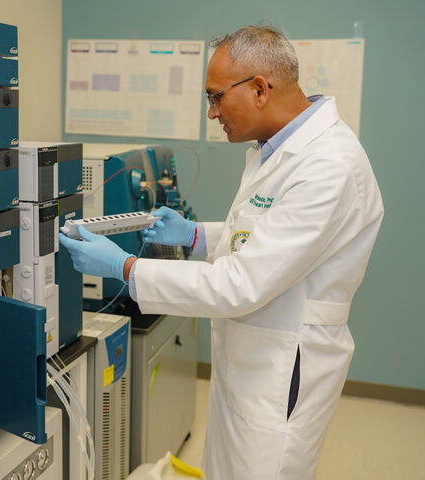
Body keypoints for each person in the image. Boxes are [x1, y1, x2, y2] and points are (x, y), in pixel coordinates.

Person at [59, 25, 383, 479]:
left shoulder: (328, 167)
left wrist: (126, 267)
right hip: (250, 360)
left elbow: (241, 282)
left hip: (281, 369)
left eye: (214, 98)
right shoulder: (274, 151)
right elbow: (257, 236)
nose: (211, 114)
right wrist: (196, 236)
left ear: (259, 89)